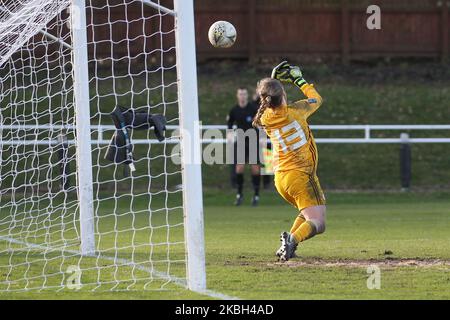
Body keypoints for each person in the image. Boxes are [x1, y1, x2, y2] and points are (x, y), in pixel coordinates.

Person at [252, 61, 326, 262]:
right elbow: (316, 99)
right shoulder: (296, 111)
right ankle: (292, 239)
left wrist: (272, 81)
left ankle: (287, 245)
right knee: (319, 222)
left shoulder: (265, 118)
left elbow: (269, 98)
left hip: (281, 179)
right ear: (283, 95)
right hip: (300, 176)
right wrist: (298, 79)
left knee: (307, 212)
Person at [227, 87, 261, 206]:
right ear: (237, 96)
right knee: (239, 168)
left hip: (253, 141)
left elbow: (261, 123)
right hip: (241, 141)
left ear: (247, 95)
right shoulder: (234, 110)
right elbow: (230, 125)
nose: (242, 96)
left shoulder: (253, 108)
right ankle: (239, 194)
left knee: (255, 169)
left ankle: (256, 195)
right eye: (240, 94)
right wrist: (230, 141)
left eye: (244, 94)